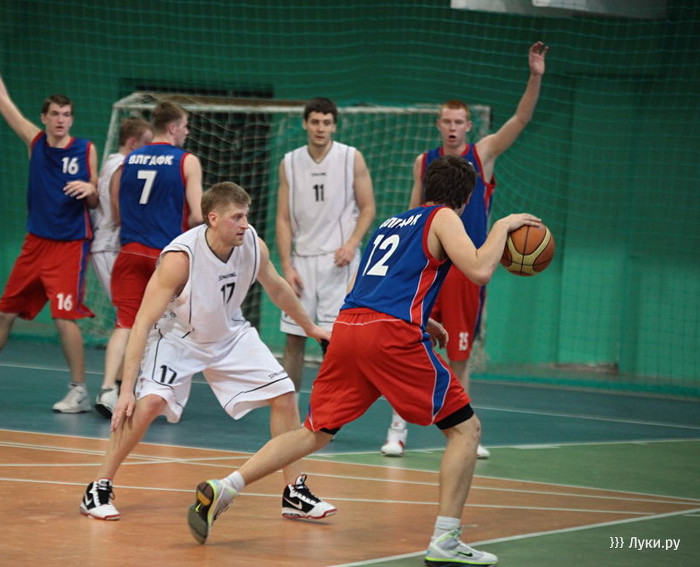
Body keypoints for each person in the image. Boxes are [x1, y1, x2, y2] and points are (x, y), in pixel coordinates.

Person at [187, 156, 541, 566]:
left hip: (350, 325)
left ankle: (227, 486)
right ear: (465, 198)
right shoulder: (444, 216)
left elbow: (365, 286)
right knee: (465, 429)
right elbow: (479, 270)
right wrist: (502, 226)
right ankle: (445, 540)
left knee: (315, 432)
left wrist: (423, 319)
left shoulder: (391, 223)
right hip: (388, 335)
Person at [81, 182, 335, 522]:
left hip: (229, 335)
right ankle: (98, 486)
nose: (245, 224)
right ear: (213, 218)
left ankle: (294, 492)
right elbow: (142, 322)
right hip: (178, 338)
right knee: (150, 403)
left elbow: (276, 287)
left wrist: (311, 327)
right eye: (236, 217)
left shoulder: (252, 244)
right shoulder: (180, 258)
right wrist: (125, 389)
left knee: (285, 394)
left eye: (246, 216)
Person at [381, 41, 549, 459]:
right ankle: (397, 429)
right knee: (409, 343)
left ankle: (465, 430)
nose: (452, 127)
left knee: (460, 354)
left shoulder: (482, 154)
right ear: (438, 124)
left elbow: (521, 119)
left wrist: (535, 76)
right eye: (447, 121)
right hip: (426, 266)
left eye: (459, 121)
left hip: (466, 269)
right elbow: (413, 213)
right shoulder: (424, 162)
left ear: (469, 126)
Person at [0, 11, 99, 412]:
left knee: (63, 318)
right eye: (54, 114)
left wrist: (90, 189)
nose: (60, 120)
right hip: (35, 244)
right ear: (44, 118)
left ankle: (79, 390)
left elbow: (96, 201)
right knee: (3, 312)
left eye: (66, 115)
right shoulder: (35, 141)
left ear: (72, 119)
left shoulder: (85, 149)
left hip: (69, 246)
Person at [99, 100, 203, 415]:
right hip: (166, 256)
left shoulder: (128, 160)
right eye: (184, 126)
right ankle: (157, 391)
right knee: (170, 327)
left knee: (126, 323)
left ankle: (108, 390)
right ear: (172, 127)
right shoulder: (187, 161)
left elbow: (117, 212)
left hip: (130, 250)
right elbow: (198, 215)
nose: (186, 132)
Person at [276, 97, 375, 392]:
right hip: (302, 262)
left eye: (327, 123)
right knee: (294, 337)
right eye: (316, 122)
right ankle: (289, 409)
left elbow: (368, 207)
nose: (321, 128)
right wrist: (286, 265)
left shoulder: (351, 157)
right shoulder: (289, 162)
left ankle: (329, 409)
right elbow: (282, 218)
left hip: (339, 262)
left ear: (334, 126)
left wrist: (352, 244)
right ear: (305, 124)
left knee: (335, 341)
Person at [90, 117, 152, 416]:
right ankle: (110, 390)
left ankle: (117, 386)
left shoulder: (113, 161)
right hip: (112, 246)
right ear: (132, 143)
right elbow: (117, 209)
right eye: (146, 144)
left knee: (132, 320)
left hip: (112, 246)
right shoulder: (123, 165)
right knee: (129, 320)